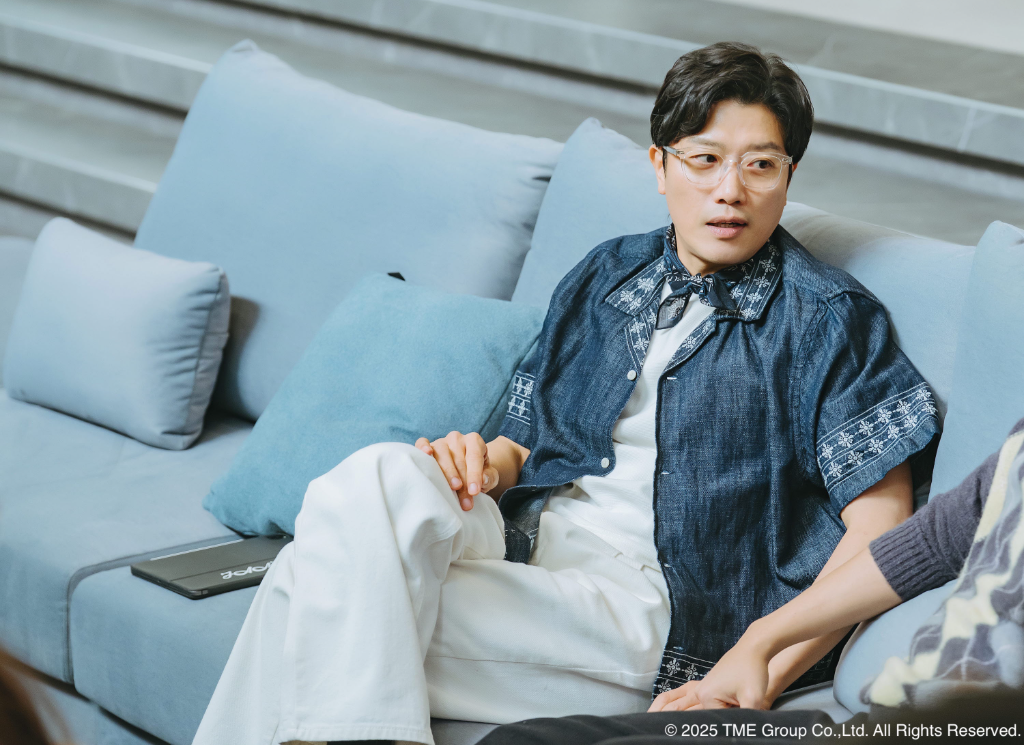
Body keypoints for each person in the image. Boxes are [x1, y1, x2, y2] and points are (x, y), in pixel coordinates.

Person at [192, 41, 939, 745]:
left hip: (650, 606)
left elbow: (882, 528)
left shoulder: (826, 319)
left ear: (789, 174)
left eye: (761, 166)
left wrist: (761, 666)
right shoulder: (609, 274)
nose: (729, 191)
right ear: (660, 165)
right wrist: (476, 461)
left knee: (307, 582)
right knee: (377, 474)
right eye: (705, 160)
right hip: (525, 546)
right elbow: (520, 447)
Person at [478, 417, 1024, 745]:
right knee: (523, 740)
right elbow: (929, 544)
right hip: (879, 721)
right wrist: (757, 644)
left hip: (959, 727)